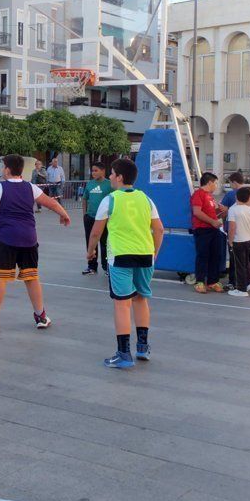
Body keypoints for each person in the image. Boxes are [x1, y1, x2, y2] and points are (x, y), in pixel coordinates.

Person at [0, 154, 71, 334]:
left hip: (7, 240)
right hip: (29, 240)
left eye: (3, 167)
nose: (2, 170)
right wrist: (64, 215)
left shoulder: (0, 188)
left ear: (8, 170)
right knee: (31, 277)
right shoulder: (31, 187)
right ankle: (41, 316)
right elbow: (50, 203)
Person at [86, 158, 164, 368]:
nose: (110, 177)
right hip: (145, 255)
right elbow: (159, 229)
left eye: (112, 173)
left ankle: (123, 354)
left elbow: (96, 232)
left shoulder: (110, 200)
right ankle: (142, 347)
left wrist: (90, 251)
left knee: (122, 304)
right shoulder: (146, 199)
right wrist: (154, 252)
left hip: (120, 256)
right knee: (141, 299)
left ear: (119, 177)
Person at [219, 171, 250, 289]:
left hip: (236, 235)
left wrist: (230, 238)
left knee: (235, 259)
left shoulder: (230, 196)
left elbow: (223, 214)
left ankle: (233, 282)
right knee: (249, 260)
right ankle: (249, 282)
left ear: (233, 182)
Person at [191, 172, 226, 293]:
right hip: (203, 230)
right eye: (215, 183)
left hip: (213, 229)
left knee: (215, 255)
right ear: (210, 182)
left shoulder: (209, 196)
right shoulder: (198, 194)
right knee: (203, 255)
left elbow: (211, 213)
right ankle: (200, 282)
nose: (216, 185)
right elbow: (197, 212)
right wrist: (212, 221)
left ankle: (212, 281)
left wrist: (220, 212)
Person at [81, 162, 111, 275]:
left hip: (104, 219)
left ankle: (106, 266)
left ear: (103, 171)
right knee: (90, 242)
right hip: (90, 217)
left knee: (105, 243)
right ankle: (92, 266)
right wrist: (85, 214)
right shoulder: (90, 184)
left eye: (96, 170)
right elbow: (84, 199)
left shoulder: (109, 185)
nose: (93, 173)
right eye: (92, 171)